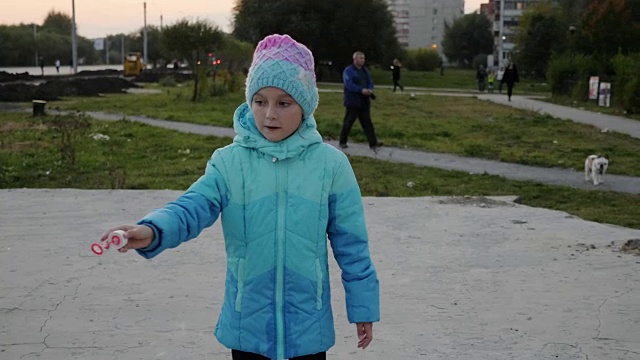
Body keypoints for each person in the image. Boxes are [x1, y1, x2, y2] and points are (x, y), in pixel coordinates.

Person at [99, 34, 380, 360]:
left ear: (305, 105)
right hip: (247, 325)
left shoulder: (331, 166)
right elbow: (192, 207)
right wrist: (152, 230)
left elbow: (353, 245)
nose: (269, 115)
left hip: (308, 327)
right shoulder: (228, 163)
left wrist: (363, 306)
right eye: (259, 101)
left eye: (283, 103)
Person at [339, 51, 383, 150]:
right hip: (353, 101)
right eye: (360, 58)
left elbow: (370, 81)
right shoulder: (348, 71)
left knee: (367, 122)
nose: (362, 60)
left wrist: (370, 89)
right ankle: (342, 141)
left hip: (364, 100)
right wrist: (360, 90)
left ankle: (373, 143)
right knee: (349, 122)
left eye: (363, 58)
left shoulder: (365, 71)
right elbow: (348, 84)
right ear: (355, 59)